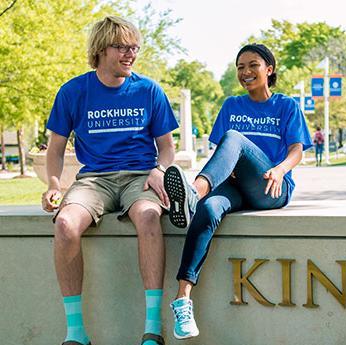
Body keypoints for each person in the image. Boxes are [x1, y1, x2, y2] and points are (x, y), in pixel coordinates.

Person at [41, 16, 177, 345]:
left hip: (139, 175)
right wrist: (54, 185)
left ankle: (152, 329)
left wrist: (160, 170)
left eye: (135, 48)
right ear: (102, 49)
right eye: (123, 47)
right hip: (95, 179)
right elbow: (56, 148)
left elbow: (167, 148)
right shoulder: (73, 91)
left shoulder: (148, 90)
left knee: (148, 216)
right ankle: (76, 333)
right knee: (65, 225)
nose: (131, 54)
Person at [163, 43, 312, 339]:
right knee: (208, 209)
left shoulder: (286, 106)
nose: (245, 72)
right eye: (240, 67)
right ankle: (183, 300)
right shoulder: (232, 105)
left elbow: (298, 150)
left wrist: (281, 169)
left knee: (235, 137)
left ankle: (193, 192)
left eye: (253, 65)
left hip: (270, 186)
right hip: (235, 185)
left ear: (269, 70)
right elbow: (222, 152)